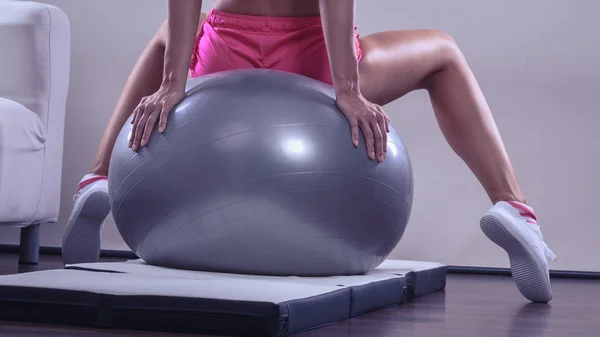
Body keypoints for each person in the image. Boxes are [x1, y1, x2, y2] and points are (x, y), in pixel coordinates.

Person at [62, 0, 557, 302]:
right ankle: (514, 207)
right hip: (314, 57)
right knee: (443, 52)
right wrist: (346, 87)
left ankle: (98, 177)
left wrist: (174, 84)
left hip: (223, 50)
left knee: (169, 34)